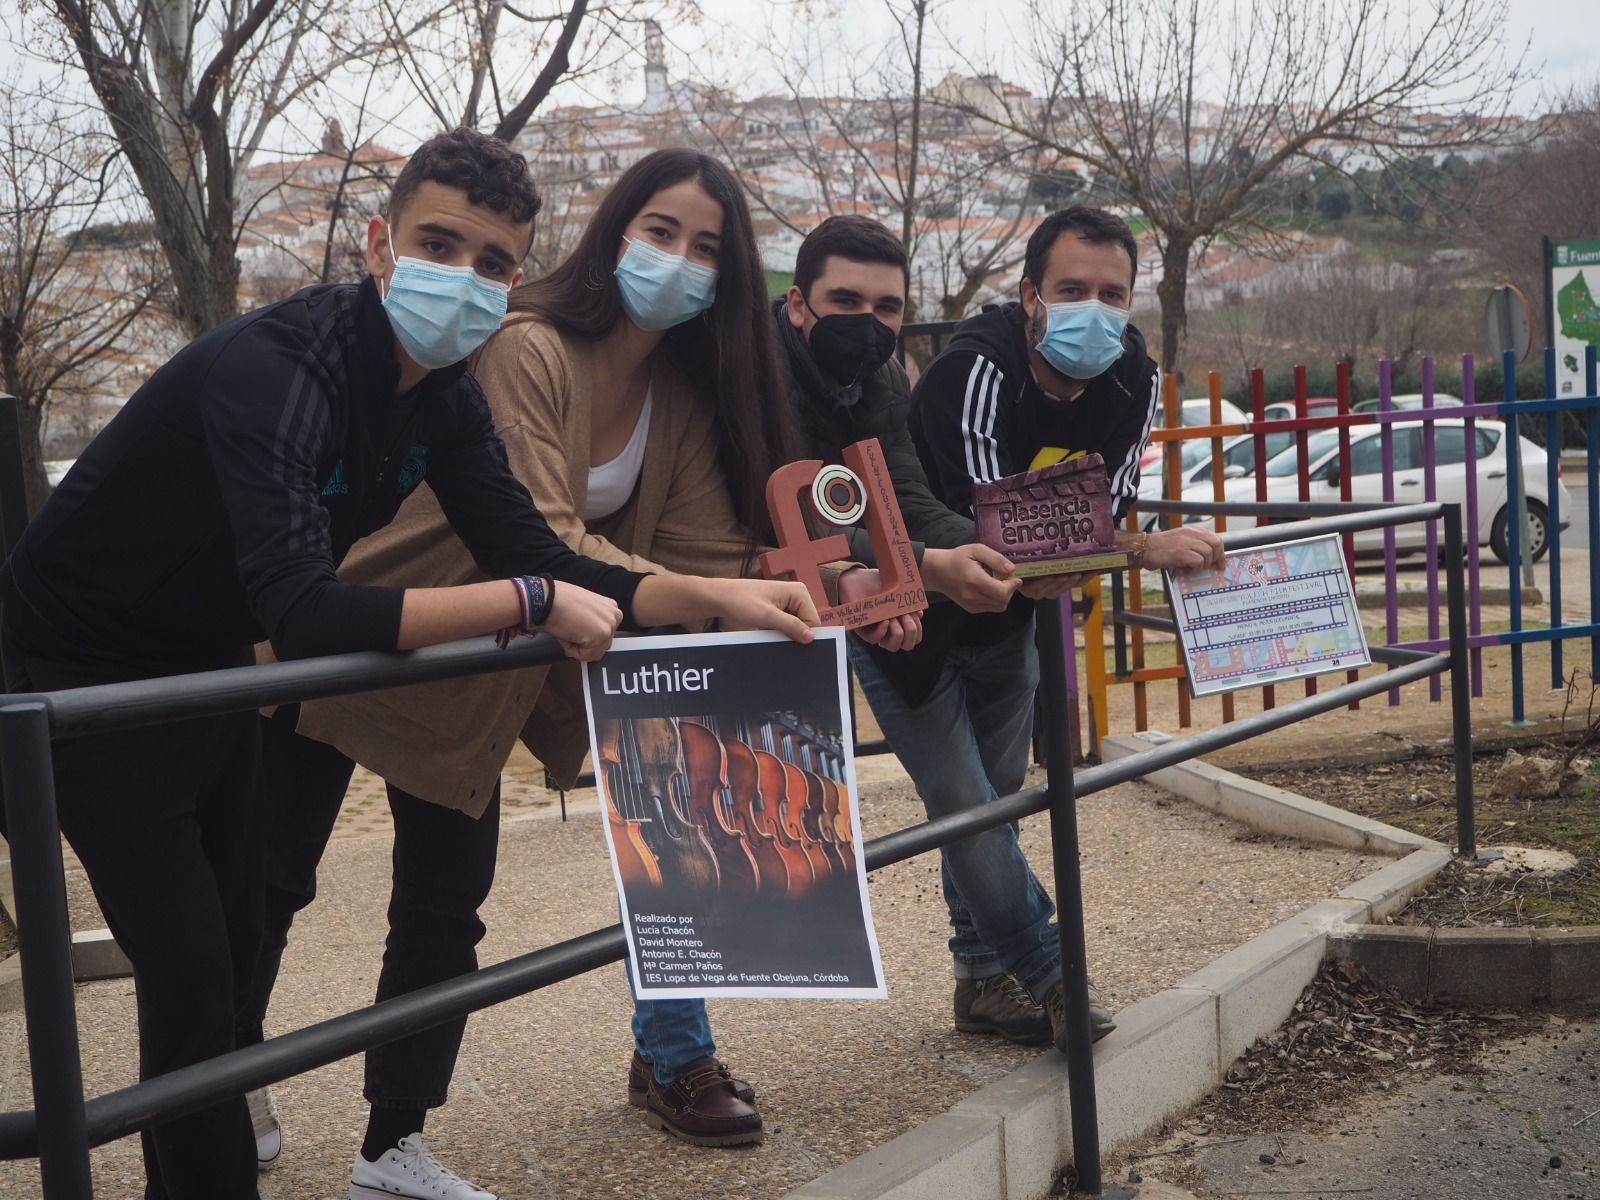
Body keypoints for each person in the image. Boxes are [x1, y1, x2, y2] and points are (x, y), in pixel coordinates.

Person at [0, 127, 813, 1200]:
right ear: (381, 245)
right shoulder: (276, 365)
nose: (463, 278)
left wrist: (711, 594)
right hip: (75, 676)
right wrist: (531, 604)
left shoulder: (442, 395)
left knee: (233, 942)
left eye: (492, 263)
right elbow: (305, 611)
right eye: (439, 244)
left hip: (204, 664)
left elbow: (539, 545)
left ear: (516, 275)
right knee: (193, 968)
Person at [238, 150, 907, 1194]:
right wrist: (711, 595)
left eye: (706, 248)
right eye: (659, 231)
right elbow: (543, 537)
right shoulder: (525, 345)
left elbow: (705, 557)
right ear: (611, 234)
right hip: (369, 630)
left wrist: (876, 574)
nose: (678, 262)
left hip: (481, 673)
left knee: (444, 910)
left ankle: (393, 1144)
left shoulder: (680, 397)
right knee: (273, 882)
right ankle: (230, 1075)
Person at [867, 204, 1221, 1052]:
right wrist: (1138, 548)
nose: (1094, 310)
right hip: (909, 619)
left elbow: (1100, 508)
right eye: (1071, 289)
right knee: (963, 806)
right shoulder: (974, 372)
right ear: (1030, 294)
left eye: (1112, 293)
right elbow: (1010, 539)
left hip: (1008, 627)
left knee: (992, 808)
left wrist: (1117, 537)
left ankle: (980, 983)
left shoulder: (1133, 377)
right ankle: (1053, 970)